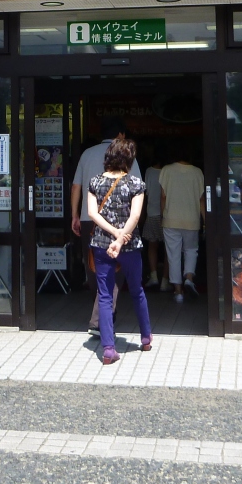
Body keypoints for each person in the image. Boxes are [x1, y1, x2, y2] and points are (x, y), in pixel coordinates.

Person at [70, 117, 140, 334]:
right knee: (115, 270)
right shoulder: (127, 155)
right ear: (120, 135)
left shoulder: (87, 154)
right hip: (118, 222)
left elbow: (76, 187)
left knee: (93, 268)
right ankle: (100, 319)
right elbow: (137, 190)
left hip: (88, 218)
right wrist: (133, 222)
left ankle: (103, 312)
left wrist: (74, 215)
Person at [87, 136, 152, 364]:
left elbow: (92, 214)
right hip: (130, 245)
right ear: (129, 160)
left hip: (101, 244)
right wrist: (121, 237)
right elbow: (136, 216)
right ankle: (145, 338)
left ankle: (108, 349)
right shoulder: (136, 184)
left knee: (105, 295)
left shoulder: (95, 182)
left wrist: (114, 234)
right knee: (137, 290)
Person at [159, 147, 205, 304]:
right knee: (191, 250)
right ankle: (189, 278)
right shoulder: (197, 172)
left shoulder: (166, 170)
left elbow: (163, 196)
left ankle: (178, 292)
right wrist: (205, 220)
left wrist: (163, 215)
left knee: (173, 255)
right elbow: (201, 199)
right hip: (192, 219)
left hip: (171, 219)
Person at [139, 145, 164, 290]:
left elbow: (145, 193)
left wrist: (142, 213)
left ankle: (154, 276)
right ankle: (166, 280)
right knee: (169, 249)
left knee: (152, 246)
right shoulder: (168, 171)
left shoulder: (149, 171)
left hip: (152, 213)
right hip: (167, 215)